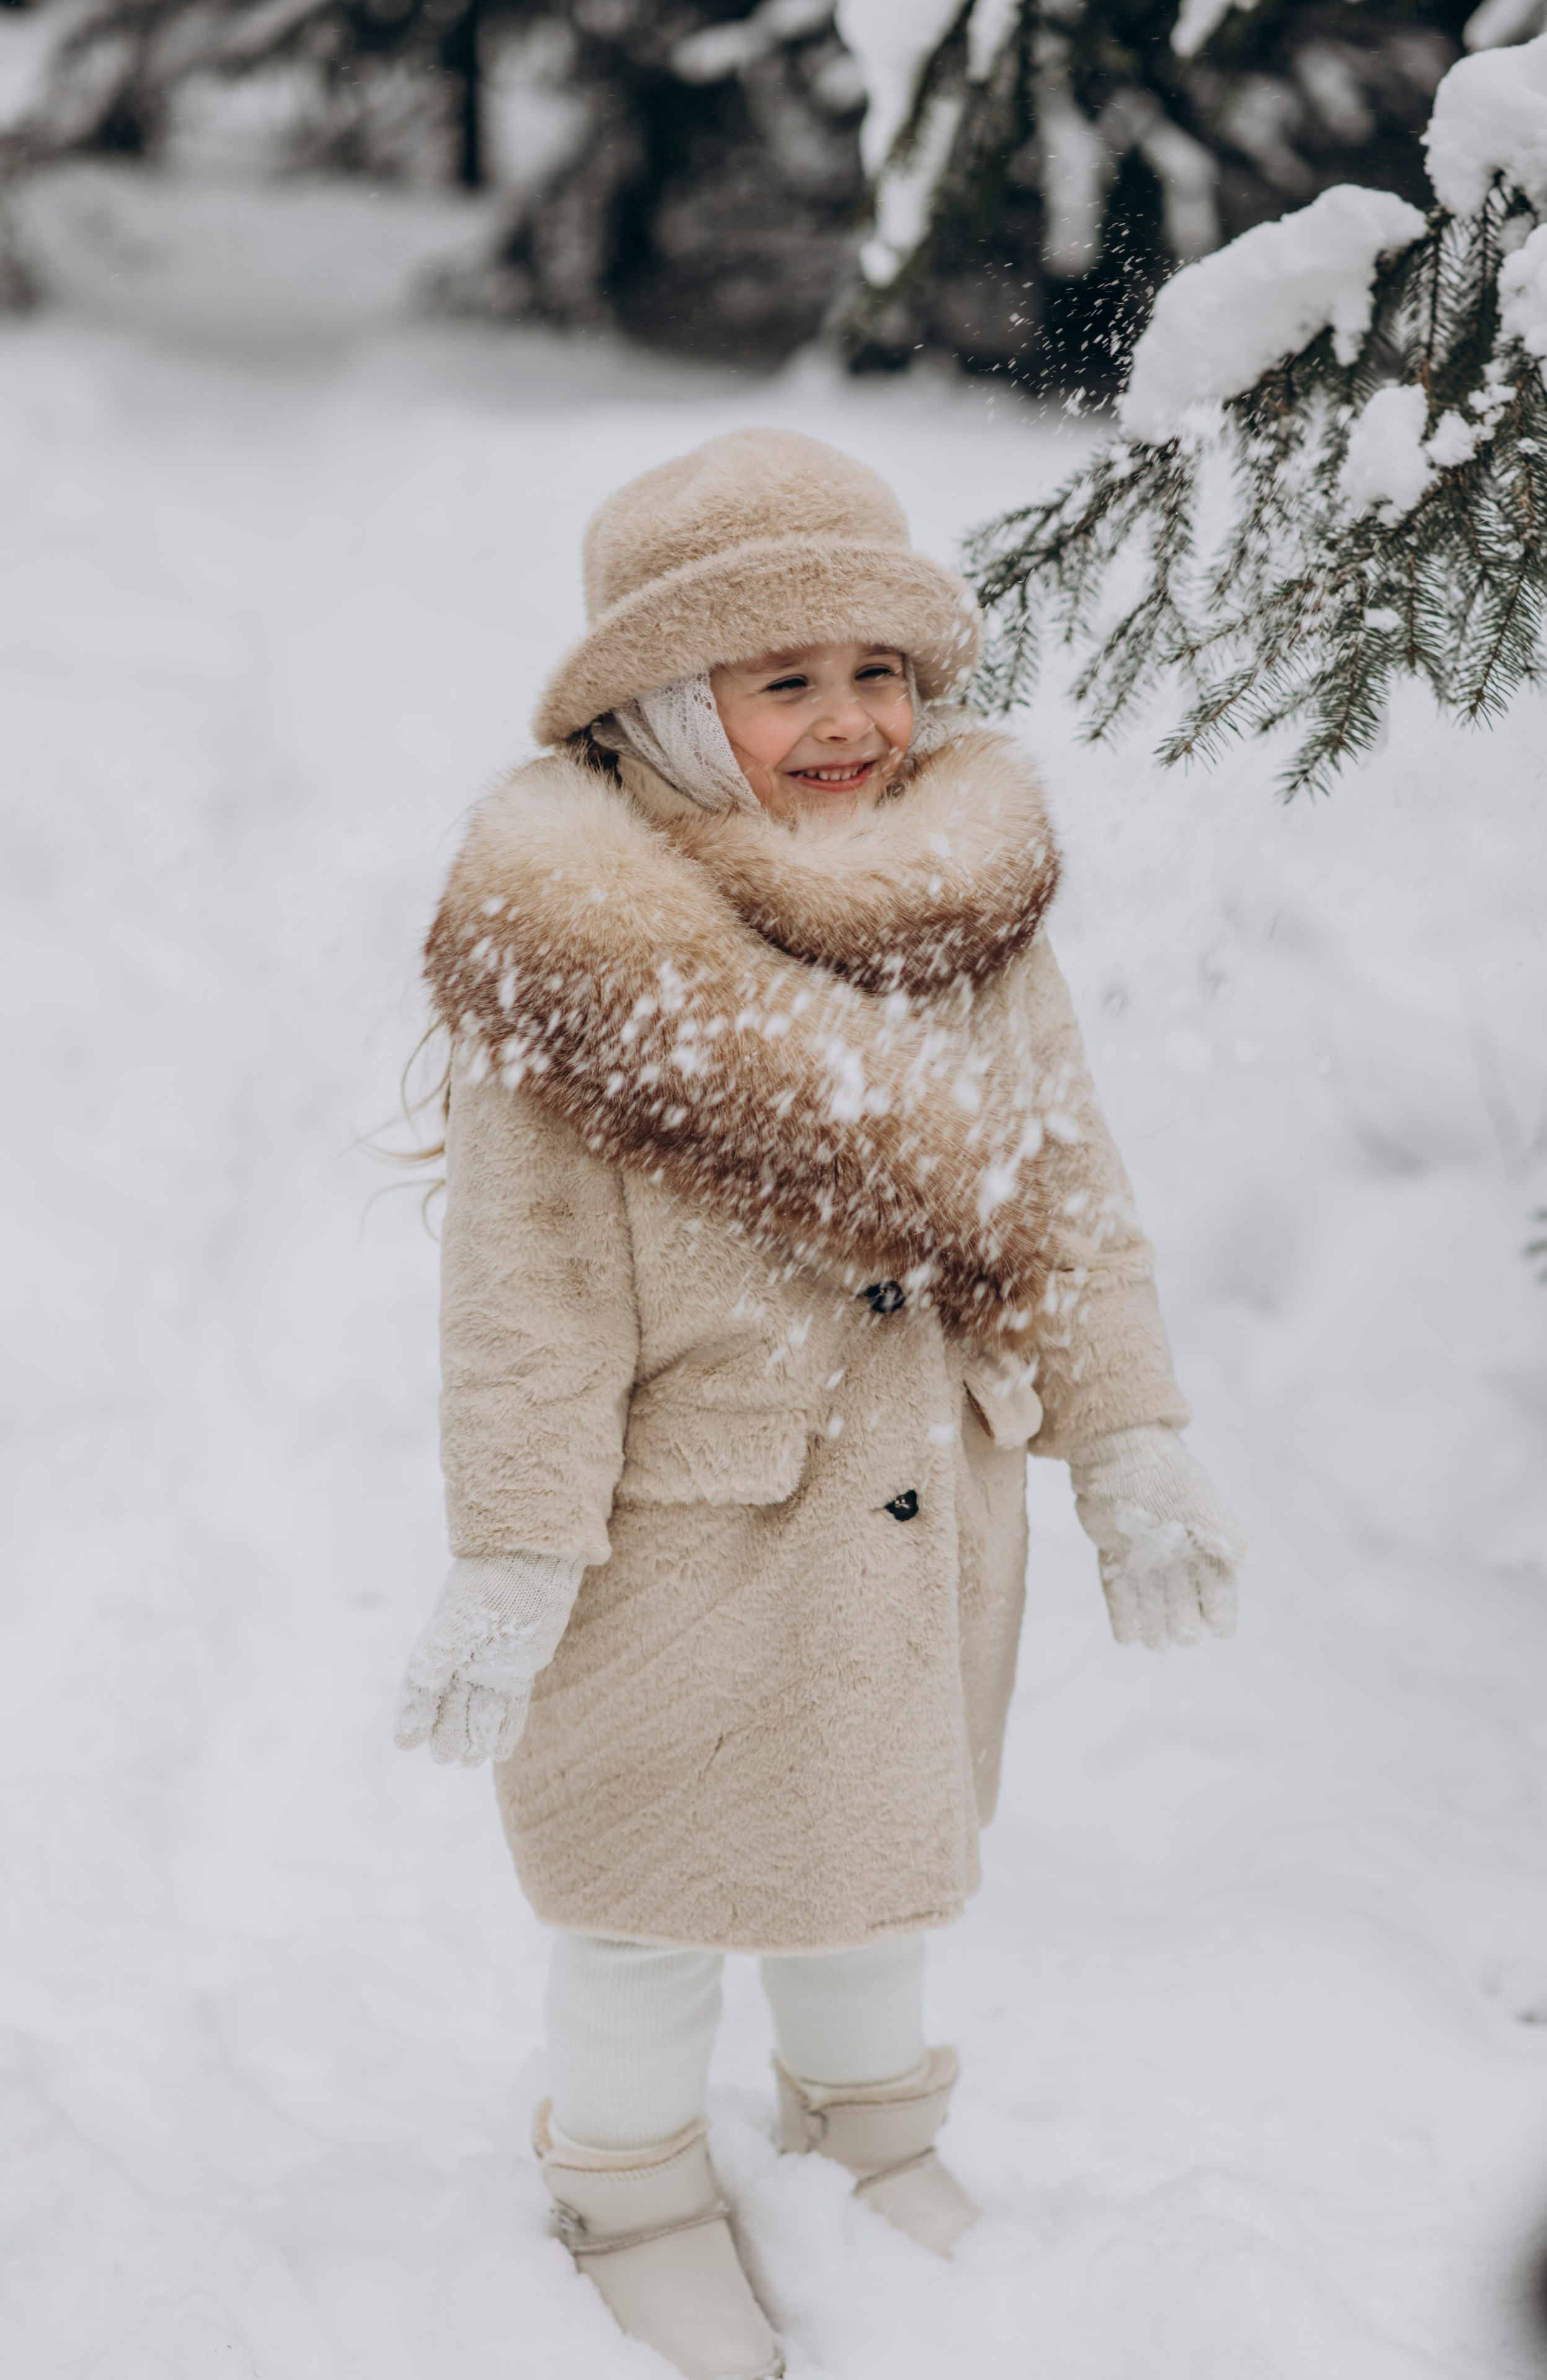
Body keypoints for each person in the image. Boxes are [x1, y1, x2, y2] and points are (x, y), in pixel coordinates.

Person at [395, 428, 1247, 2380]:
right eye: (786, 681)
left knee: (874, 1850)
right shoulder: (585, 961)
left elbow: (1068, 1194)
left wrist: (1129, 1442)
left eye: (879, 670)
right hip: (685, 1530)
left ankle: (872, 2141)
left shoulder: (968, 908)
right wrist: (515, 1559)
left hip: (919, 1504)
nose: (851, 720)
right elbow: (524, 1308)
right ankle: (625, 2178)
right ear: (668, 711)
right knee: (648, 1891)